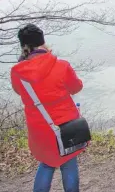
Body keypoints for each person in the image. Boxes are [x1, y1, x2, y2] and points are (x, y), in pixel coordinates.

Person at [10, 24, 84, 192]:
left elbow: (18, 91)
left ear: (24, 46)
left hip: (39, 128)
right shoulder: (62, 66)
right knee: (69, 163)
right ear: (43, 41)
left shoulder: (17, 72)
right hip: (65, 127)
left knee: (46, 164)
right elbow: (76, 87)